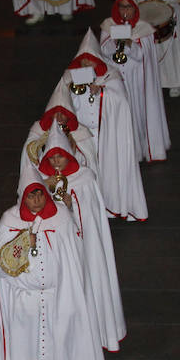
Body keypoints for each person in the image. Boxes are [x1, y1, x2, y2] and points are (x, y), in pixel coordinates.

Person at [0, 163, 108, 360]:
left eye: (40, 193)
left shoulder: (61, 217)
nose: (37, 199)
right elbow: (0, 264)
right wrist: (21, 243)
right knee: (27, 351)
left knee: (66, 343)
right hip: (26, 299)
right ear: (23, 196)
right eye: (31, 195)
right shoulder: (10, 221)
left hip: (59, 296)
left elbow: (75, 251)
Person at [37, 122, 127, 351]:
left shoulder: (85, 179)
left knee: (90, 282)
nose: (57, 162)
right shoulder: (41, 182)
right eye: (52, 158)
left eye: (61, 157)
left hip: (86, 246)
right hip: (60, 248)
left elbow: (90, 216)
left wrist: (71, 208)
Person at [57, 30, 148, 221]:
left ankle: (110, 204)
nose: (87, 65)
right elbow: (61, 104)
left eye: (90, 61)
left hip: (106, 135)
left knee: (108, 172)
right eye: (83, 61)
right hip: (81, 136)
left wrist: (102, 94)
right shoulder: (68, 78)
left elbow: (121, 101)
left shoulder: (110, 76)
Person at [99, 0, 170, 162]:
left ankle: (138, 151)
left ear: (135, 9)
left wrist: (129, 45)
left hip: (137, 80)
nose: (125, 12)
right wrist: (115, 43)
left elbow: (143, 55)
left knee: (136, 115)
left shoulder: (144, 28)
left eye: (128, 8)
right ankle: (122, 154)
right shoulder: (108, 25)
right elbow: (103, 50)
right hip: (117, 79)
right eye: (122, 7)